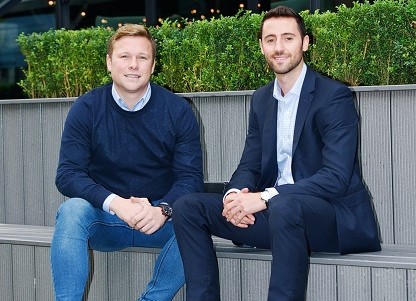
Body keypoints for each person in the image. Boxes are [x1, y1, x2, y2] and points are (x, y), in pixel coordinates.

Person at [172, 6, 381, 301]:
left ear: (305, 42)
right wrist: (234, 197)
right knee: (187, 207)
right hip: (278, 216)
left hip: (332, 219)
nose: (279, 48)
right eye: (270, 40)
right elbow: (251, 164)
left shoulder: (333, 97)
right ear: (261, 46)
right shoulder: (261, 99)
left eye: (288, 38)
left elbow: (335, 178)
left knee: (284, 206)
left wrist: (264, 197)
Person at [51, 24, 203, 301]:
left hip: (157, 221)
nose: (133, 65)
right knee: (71, 211)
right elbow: (68, 174)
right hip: (106, 219)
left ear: (153, 65)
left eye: (142, 58)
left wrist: (164, 210)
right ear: (109, 62)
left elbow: (190, 179)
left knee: (197, 220)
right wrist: (116, 203)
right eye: (124, 57)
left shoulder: (178, 110)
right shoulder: (86, 108)